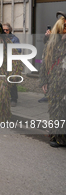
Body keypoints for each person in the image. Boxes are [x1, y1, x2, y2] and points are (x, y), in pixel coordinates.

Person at [40, 12, 66, 147]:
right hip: (56, 84)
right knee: (56, 111)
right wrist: (44, 81)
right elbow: (45, 63)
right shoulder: (51, 45)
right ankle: (57, 137)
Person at [3, 23, 21, 107]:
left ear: (10, 30)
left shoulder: (14, 39)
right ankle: (6, 97)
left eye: (6, 30)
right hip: (2, 63)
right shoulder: (0, 39)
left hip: (11, 62)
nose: (5, 31)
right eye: (3, 30)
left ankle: (14, 99)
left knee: (12, 80)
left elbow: (18, 50)